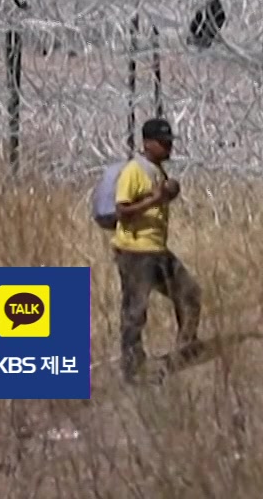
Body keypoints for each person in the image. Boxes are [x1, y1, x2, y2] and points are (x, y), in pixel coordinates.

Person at [112, 116, 203, 383]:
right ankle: (132, 369)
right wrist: (156, 199)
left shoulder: (156, 170)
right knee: (135, 311)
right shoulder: (134, 171)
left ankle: (185, 347)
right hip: (134, 251)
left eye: (169, 142)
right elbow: (122, 211)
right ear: (147, 143)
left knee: (190, 293)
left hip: (156, 250)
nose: (168, 148)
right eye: (163, 143)